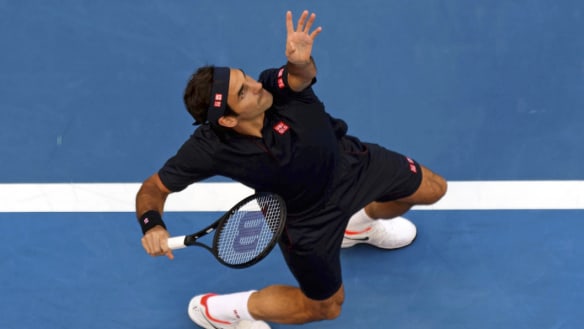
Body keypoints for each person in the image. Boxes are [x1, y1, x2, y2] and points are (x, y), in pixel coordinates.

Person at [136, 10, 447, 329]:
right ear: (228, 120)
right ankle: (220, 311)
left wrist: (300, 61)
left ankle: (358, 225)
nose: (256, 86)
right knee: (326, 308)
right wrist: (152, 225)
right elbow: (154, 188)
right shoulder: (208, 147)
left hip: (352, 165)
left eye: (245, 77)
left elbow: (299, 75)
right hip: (304, 221)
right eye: (243, 92)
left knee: (433, 189)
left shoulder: (278, 89)